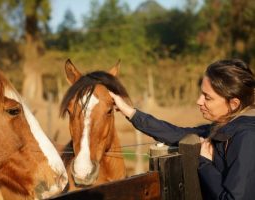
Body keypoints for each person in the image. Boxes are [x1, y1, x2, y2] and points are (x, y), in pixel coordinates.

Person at [109, 59, 255, 200]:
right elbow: (175, 133)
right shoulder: (223, 129)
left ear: (234, 104)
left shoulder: (246, 138)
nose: (199, 101)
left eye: (207, 97)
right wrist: (129, 112)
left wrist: (205, 164)